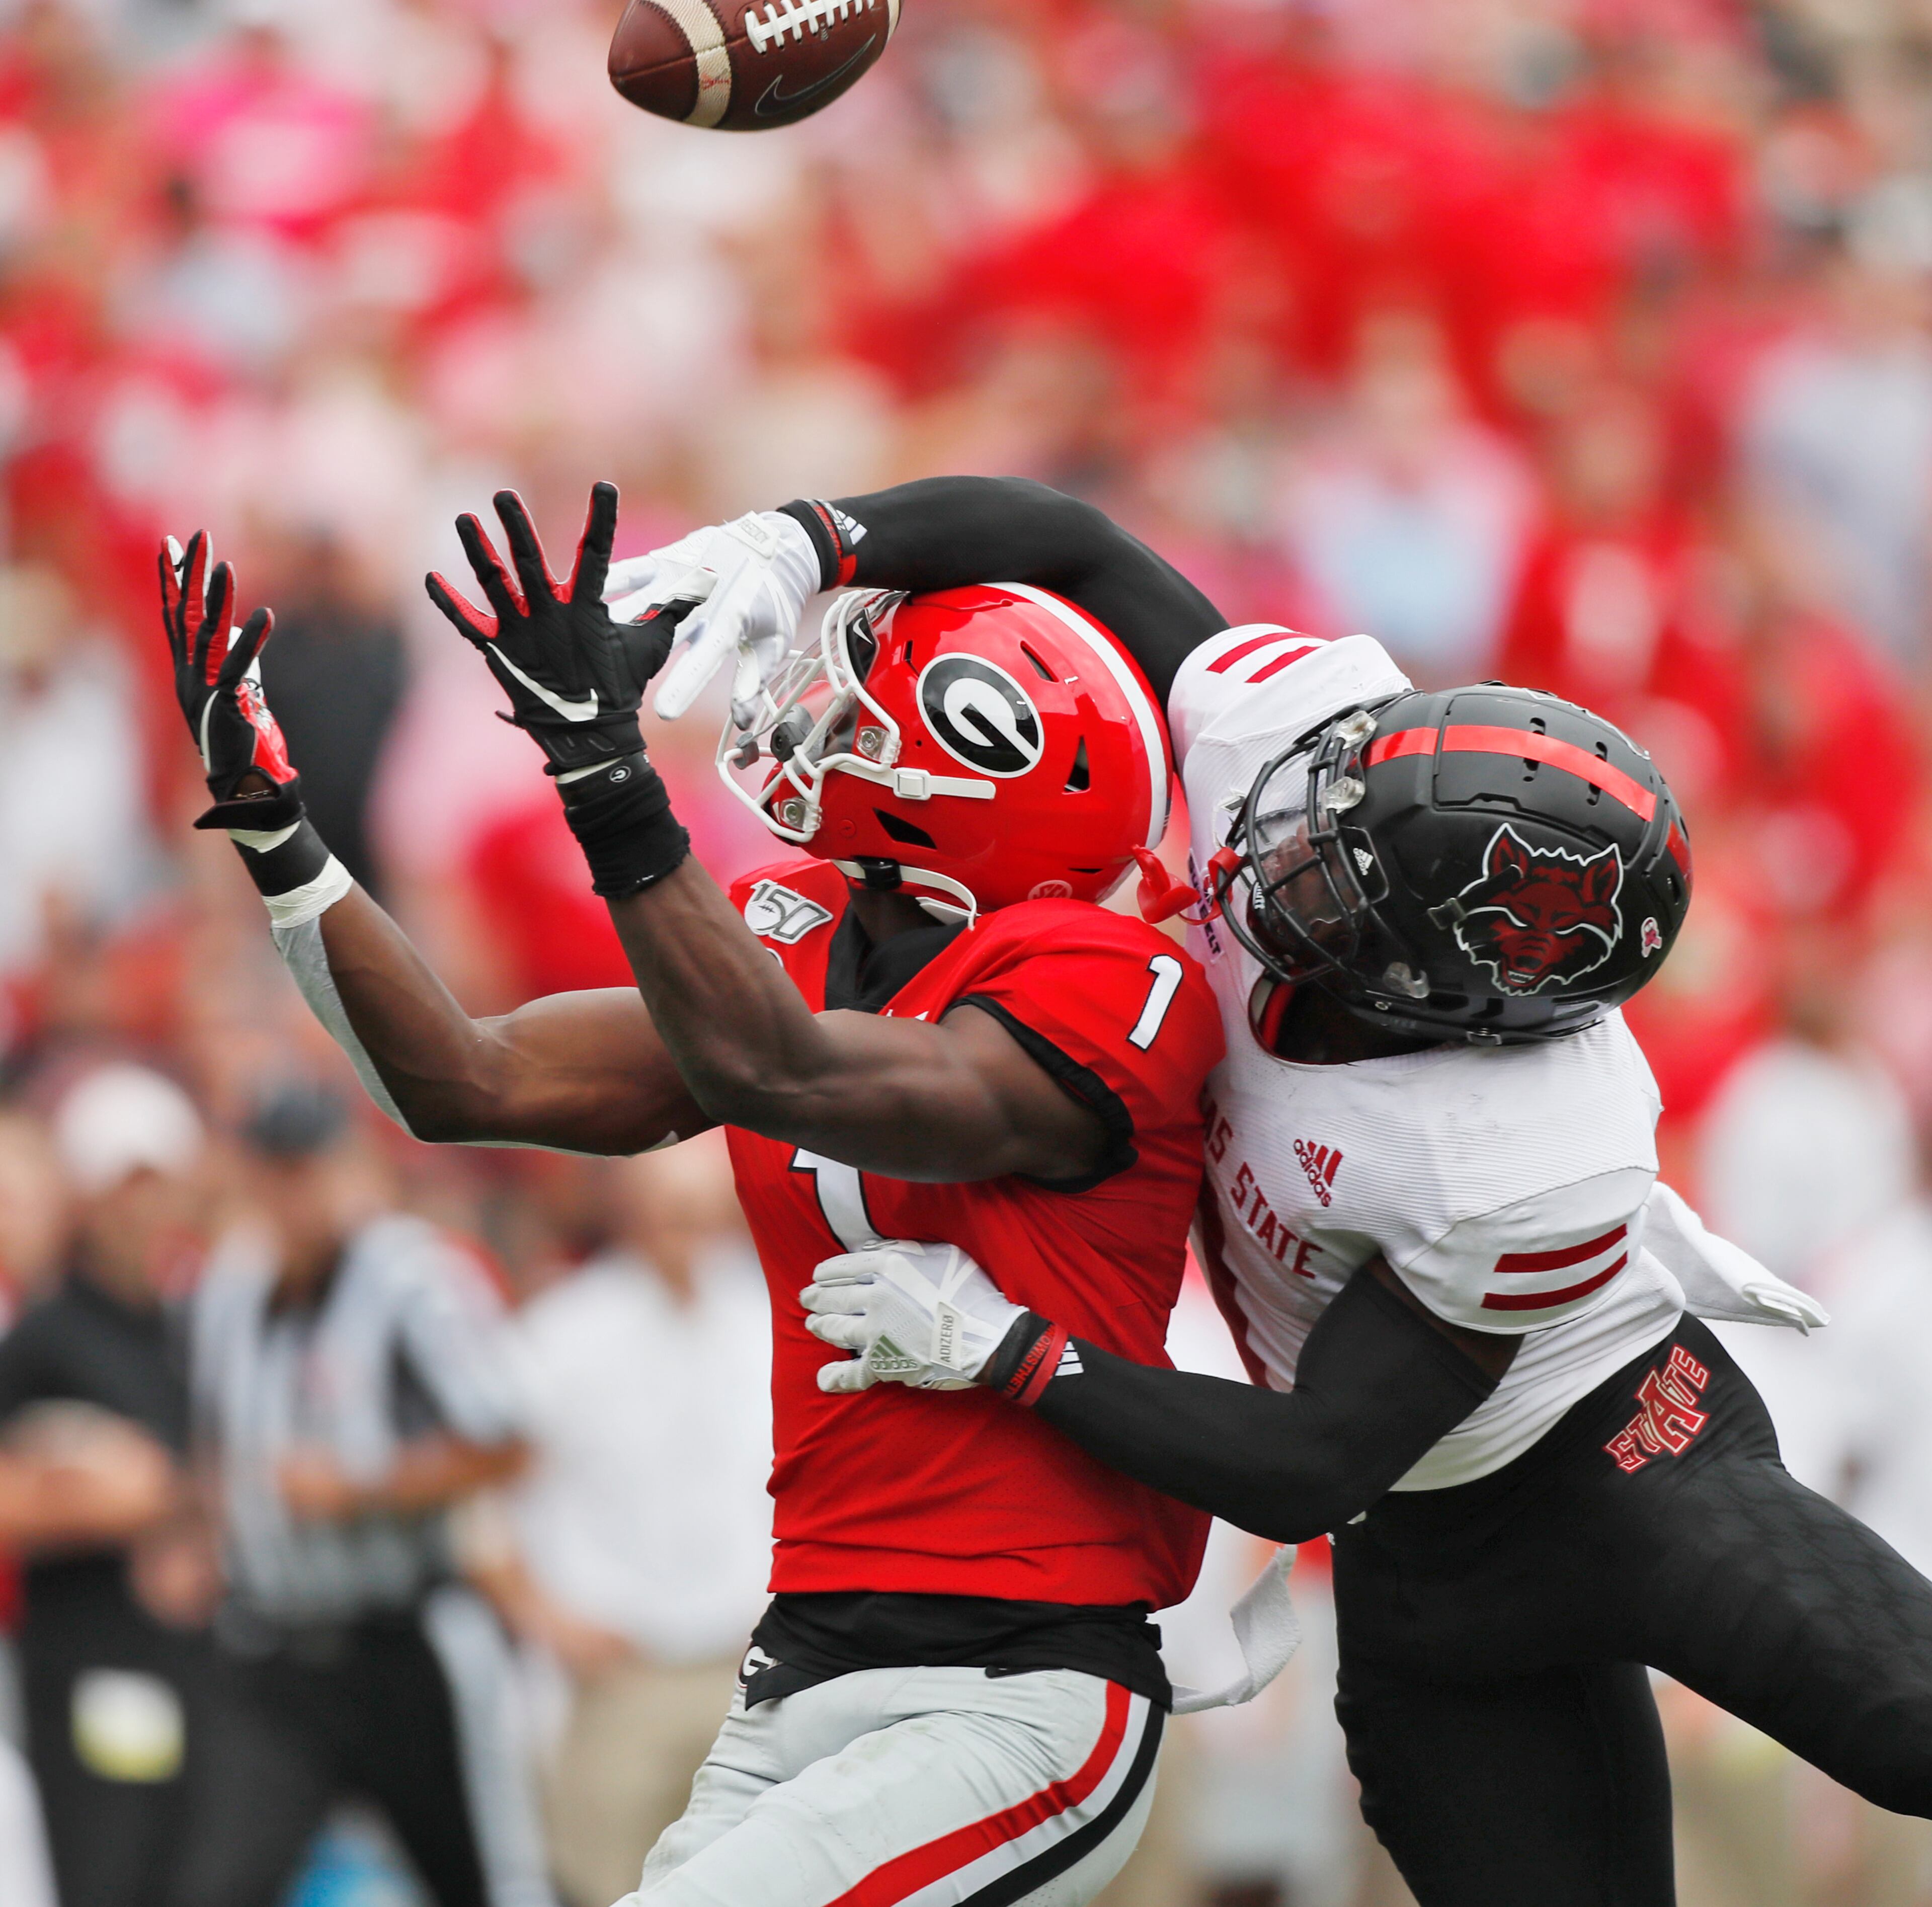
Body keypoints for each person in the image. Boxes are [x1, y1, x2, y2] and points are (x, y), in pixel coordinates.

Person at [617, 475, 1932, 1907]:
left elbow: (1316, 1460)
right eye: (1320, 819)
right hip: (1425, 1555)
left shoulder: (1527, 1148)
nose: (1262, 863)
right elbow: (1076, 540)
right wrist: (809, 540)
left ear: (1457, 1005)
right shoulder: (1285, 741)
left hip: (1623, 1463)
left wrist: (1020, 1355)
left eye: (1332, 890)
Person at [155, 494, 1225, 1907]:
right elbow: (471, 1080)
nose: (816, 717)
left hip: (1018, 1676)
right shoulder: (809, 930)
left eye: (867, 705)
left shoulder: (1109, 980)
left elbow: (784, 1073)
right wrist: (281, 832)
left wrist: (606, 773)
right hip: (808, 1652)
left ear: (989, 768)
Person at [177, 1080, 547, 1907]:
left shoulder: (417, 1282)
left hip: (402, 1642)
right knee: (221, 1885)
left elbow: (512, 1444)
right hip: (273, 1647)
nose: (295, 1193)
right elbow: (213, 1439)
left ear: (353, 1167)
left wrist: (363, 1487)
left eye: (310, 1168)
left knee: (482, 1883)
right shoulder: (228, 1287)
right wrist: (203, 1535)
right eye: (277, 1170)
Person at [496, 1136, 772, 1907]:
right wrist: (545, 1617)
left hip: (747, 1667)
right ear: (629, 1214)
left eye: (701, 1215)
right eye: (668, 1214)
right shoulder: (560, 1335)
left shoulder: (768, 1323)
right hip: (621, 1668)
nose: (685, 1234)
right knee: (607, 1882)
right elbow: (483, 1499)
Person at [0, 1065, 219, 1907]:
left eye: (161, 1185)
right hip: (91, 1659)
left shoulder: (193, 1321)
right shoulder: (45, 1337)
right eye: (126, 1186)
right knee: (110, 1871)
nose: (146, 1209)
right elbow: (80, 1495)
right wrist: (166, 1496)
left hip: (189, 1661)